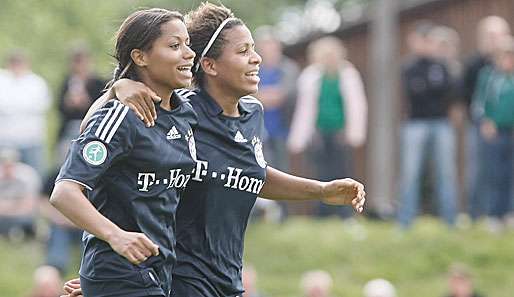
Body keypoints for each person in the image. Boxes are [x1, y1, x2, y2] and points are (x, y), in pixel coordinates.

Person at [63, 3, 365, 297]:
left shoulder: (250, 115)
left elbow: (248, 174)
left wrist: (321, 190)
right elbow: (96, 139)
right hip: (179, 276)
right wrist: (118, 88)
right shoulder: (181, 110)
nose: (257, 59)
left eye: (254, 49)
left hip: (223, 278)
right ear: (209, 65)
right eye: (243, 51)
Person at [50, 8, 197, 297]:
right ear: (140, 57)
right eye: (174, 45)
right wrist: (115, 239)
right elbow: (64, 193)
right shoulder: (120, 115)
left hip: (157, 273)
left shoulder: (185, 114)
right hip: (121, 272)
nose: (188, 53)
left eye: (188, 43)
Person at [287, 36, 367, 218]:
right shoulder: (311, 76)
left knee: (343, 172)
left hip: (340, 132)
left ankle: (346, 212)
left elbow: (357, 106)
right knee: (320, 174)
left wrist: (353, 132)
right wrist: (300, 137)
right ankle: (321, 213)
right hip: (318, 132)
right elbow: (304, 109)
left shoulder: (348, 74)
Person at [397, 22, 458, 228]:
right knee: (411, 174)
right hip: (415, 124)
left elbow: (450, 92)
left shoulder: (443, 66)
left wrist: (432, 89)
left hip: (441, 123)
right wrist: (433, 89)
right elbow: (416, 92)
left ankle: (450, 221)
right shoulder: (409, 67)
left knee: (445, 173)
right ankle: (405, 221)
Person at [462, 16, 511, 220]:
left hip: (509, 129)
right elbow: (475, 100)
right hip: (485, 128)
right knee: (483, 172)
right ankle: (480, 213)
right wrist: (483, 120)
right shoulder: (479, 67)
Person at [472, 35, 514, 232]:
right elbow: (480, 103)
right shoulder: (489, 76)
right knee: (495, 174)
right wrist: (486, 121)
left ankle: (510, 213)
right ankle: (494, 215)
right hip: (496, 132)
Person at [0, 51, 51, 176]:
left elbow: (42, 105)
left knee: (36, 175)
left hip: (32, 138)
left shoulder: (37, 82)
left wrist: (14, 107)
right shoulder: (2, 80)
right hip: (6, 138)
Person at [57, 45, 105, 146]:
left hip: (92, 128)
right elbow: (59, 107)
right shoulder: (67, 82)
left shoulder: (97, 83)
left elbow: (103, 105)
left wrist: (87, 102)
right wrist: (68, 103)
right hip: (69, 127)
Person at [0, 148, 40, 240]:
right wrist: (15, 205)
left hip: (21, 215)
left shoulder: (27, 175)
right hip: (6, 214)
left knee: (27, 221)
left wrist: (7, 207)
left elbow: (30, 205)